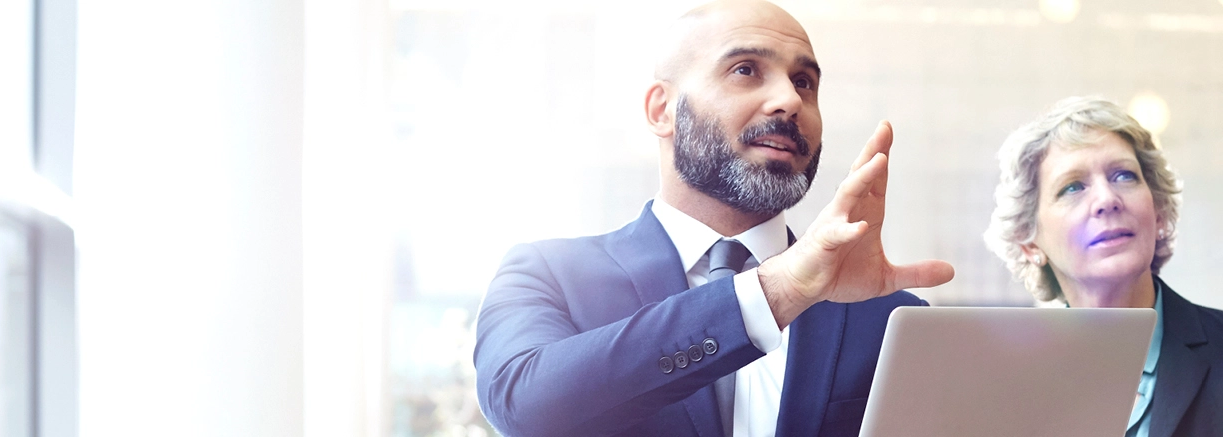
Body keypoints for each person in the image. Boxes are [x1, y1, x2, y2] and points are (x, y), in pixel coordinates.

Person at [471, 1, 955, 435]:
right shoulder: (548, 275)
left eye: (804, 82)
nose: (789, 99)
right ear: (663, 110)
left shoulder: (894, 319)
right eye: (746, 70)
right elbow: (526, 408)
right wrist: (779, 290)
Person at [985, 96, 1223, 436]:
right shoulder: (1003, 388)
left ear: (1157, 213)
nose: (1108, 199)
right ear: (1029, 242)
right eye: (1072, 187)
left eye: (1124, 176)